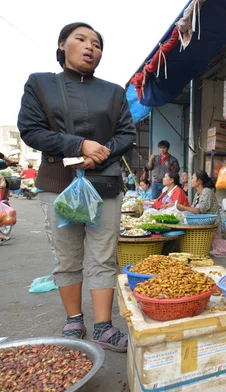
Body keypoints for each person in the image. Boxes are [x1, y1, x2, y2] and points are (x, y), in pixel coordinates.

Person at [17, 22, 136, 351]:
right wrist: (78, 144)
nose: (90, 47)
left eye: (97, 43)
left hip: (105, 184)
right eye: (81, 39)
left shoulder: (113, 92)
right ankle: (74, 320)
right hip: (58, 183)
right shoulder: (40, 84)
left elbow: (127, 134)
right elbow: (31, 129)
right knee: (67, 257)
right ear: (62, 45)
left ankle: (103, 326)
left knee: (103, 257)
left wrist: (100, 153)